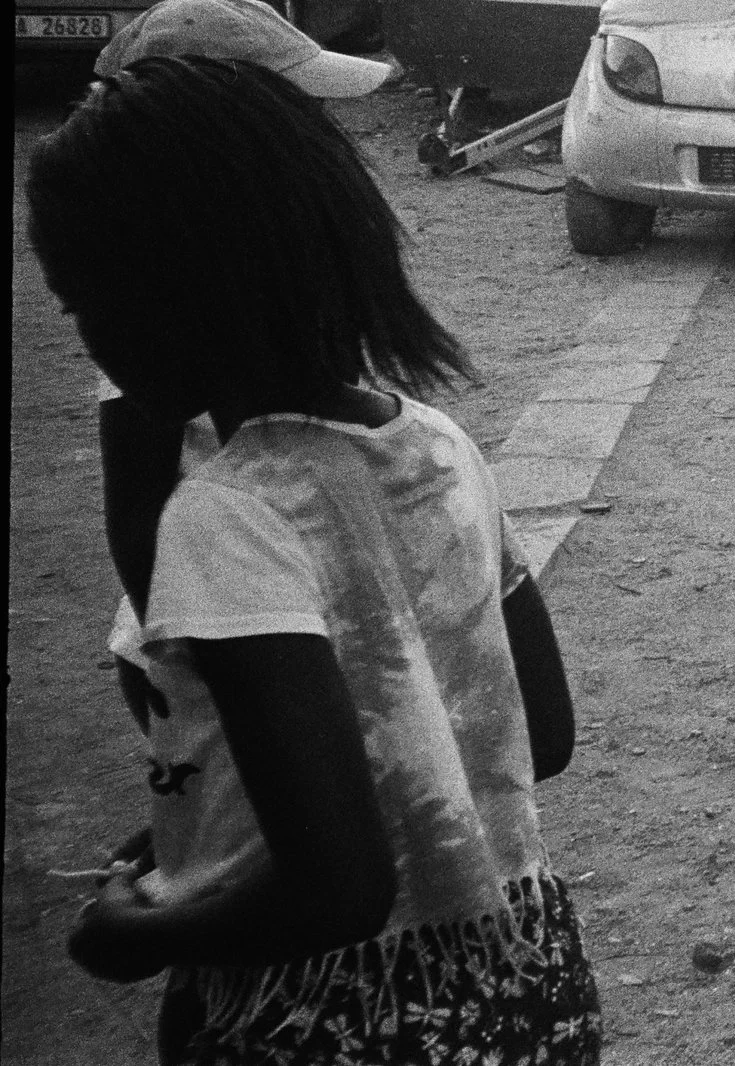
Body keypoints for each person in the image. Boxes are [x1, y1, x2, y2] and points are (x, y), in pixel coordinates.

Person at [25, 57, 598, 1064]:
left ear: (174, 289)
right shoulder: (437, 443)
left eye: (82, 306)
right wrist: (206, 844)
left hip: (332, 1026)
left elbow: (337, 888)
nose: (92, 345)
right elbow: (537, 737)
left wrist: (142, 928)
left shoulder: (227, 514)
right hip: (526, 989)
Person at [83, 0, 395, 746]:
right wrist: (186, 671)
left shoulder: (286, 252)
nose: (328, 129)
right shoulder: (165, 302)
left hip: (294, 582)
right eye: (304, 108)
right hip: (222, 615)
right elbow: (136, 516)